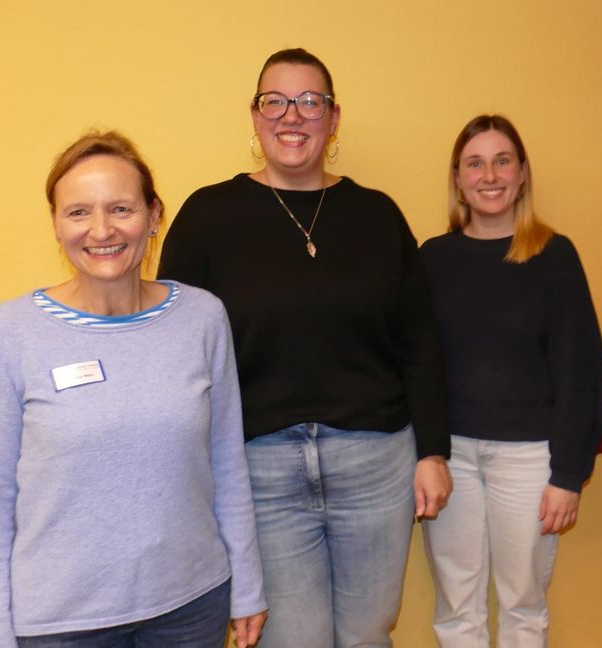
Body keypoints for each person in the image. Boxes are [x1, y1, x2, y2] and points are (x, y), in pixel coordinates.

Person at [157, 48, 451, 648]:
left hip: (375, 462)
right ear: (255, 115)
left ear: (333, 118)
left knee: (367, 636)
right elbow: (175, 354)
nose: (292, 115)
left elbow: (419, 340)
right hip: (260, 469)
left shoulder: (378, 215)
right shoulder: (208, 216)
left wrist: (433, 452)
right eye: (276, 101)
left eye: (310, 102)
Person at [0, 131, 267, 648]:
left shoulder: (202, 318)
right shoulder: (9, 334)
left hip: (191, 608)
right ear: (56, 224)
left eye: (121, 208)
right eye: (78, 212)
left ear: (153, 215)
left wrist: (248, 586)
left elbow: (227, 464)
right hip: (62, 625)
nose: (101, 230)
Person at [419, 114, 602, 647]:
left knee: (523, 605)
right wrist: (423, 453)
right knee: (456, 607)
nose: (489, 176)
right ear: (457, 179)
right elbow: (416, 362)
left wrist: (568, 475)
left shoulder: (554, 255)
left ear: (522, 173)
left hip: (529, 460)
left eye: (502, 161)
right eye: (474, 164)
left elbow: (581, 372)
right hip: (450, 455)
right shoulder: (433, 259)